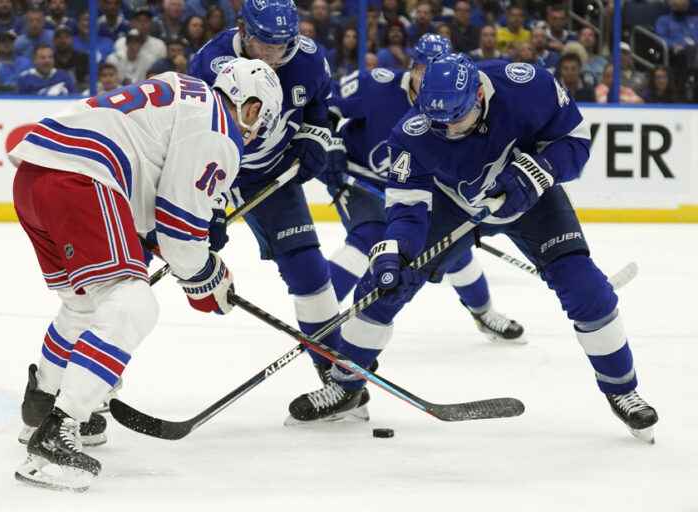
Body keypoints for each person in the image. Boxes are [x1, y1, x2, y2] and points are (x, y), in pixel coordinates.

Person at [288, 53, 659, 445]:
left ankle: (622, 389)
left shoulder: (527, 85)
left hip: (531, 198)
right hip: (450, 204)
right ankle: (346, 385)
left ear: (479, 94)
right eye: (437, 123)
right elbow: (408, 207)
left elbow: (576, 142)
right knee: (381, 288)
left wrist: (539, 170)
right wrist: (396, 248)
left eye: (457, 119)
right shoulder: (411, 133)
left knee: (588, 290)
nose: (447, 130)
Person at [9, 58, 283, 491]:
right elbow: (179, 236)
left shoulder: (183, 90)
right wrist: (208, 279)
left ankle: (42, 404)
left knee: (86, 304)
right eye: (258, 121)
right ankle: (57, 433)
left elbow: (146, 183)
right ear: (251, 108)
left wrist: (178, 244)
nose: (251, 133)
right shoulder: (219, 130)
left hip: (35, 174)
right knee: (132, 304)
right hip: (84, 178)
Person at [325, 33, 525, 353]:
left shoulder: (452, 107)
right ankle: (319, 321)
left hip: (409, 186)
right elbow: (328, 105)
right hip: (360, 177)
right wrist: (330, 143)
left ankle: (484, 313)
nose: (427, 77)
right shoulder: (377, 84)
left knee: (451, 248)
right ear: (411, 67)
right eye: (422, 69)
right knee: (372, 237)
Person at [189, 0, 347, 399]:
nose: (273, 57)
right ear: (243, 29)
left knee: (309, 270)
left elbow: (319, 106)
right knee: (162, 256)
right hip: (211, 172)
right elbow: (193, 140)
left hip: (272, 174)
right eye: (264, 45)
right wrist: (209, 206)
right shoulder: (210, 63)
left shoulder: (309, 59)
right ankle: (95, 383)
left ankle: (337, 374)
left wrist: (314, 138)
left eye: (281, 46)